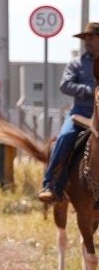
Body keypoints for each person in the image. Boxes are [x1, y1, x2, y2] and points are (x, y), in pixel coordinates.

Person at [39, 23, 99, 202]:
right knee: (64, 138)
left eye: (91, 37)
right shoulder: (77, 64)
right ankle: (50, 183)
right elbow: (65, 85)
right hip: (80, 115)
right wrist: (90, 90)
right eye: (85, 38)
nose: (87, 41)